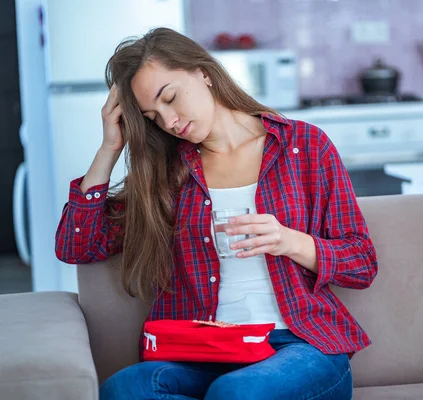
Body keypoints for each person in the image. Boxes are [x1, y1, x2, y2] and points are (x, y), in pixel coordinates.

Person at [55, 27, 378, 400]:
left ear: (202, 72)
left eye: (170, 98)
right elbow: (75, 247)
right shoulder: (164, 175)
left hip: (299, 345)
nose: (170, 121)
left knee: (235, 392)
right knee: (127, 387)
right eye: (153, 116)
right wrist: (109, 148)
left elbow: (362, 263)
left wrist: (291, 242)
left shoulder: (303, 147)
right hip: (202, 350)